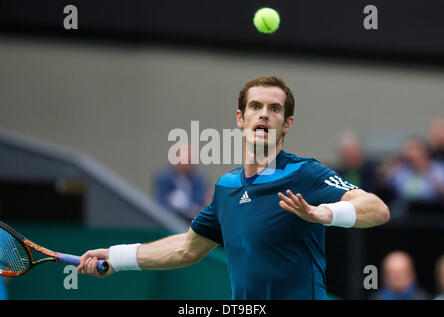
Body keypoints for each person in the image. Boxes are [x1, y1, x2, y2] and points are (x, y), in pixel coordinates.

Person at [77, 76, 390, 299]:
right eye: (255, 106)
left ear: (287, 124)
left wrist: (324, 212)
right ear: (241, 118)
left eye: (275, 109)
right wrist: (116, 257)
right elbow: (187, 248)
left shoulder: (305, 173)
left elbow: (377, 209)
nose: (264, 113)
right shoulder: (226, 188)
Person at [154, 143, 210, 223]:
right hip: (169, 221)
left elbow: (200, 202)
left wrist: (189, 208)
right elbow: (160, 204)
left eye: (190, 160)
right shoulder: (164, 178)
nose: (188, 163)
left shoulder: (199, 179)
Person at [383, 137, 444, 208]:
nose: (410, 153)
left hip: (434, 210)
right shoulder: (400, 170)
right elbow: (384, 186)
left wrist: (425, 170)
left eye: (413, 148)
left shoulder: (438, 168)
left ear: (424, 151)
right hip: (406, 210)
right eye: (407, 149)